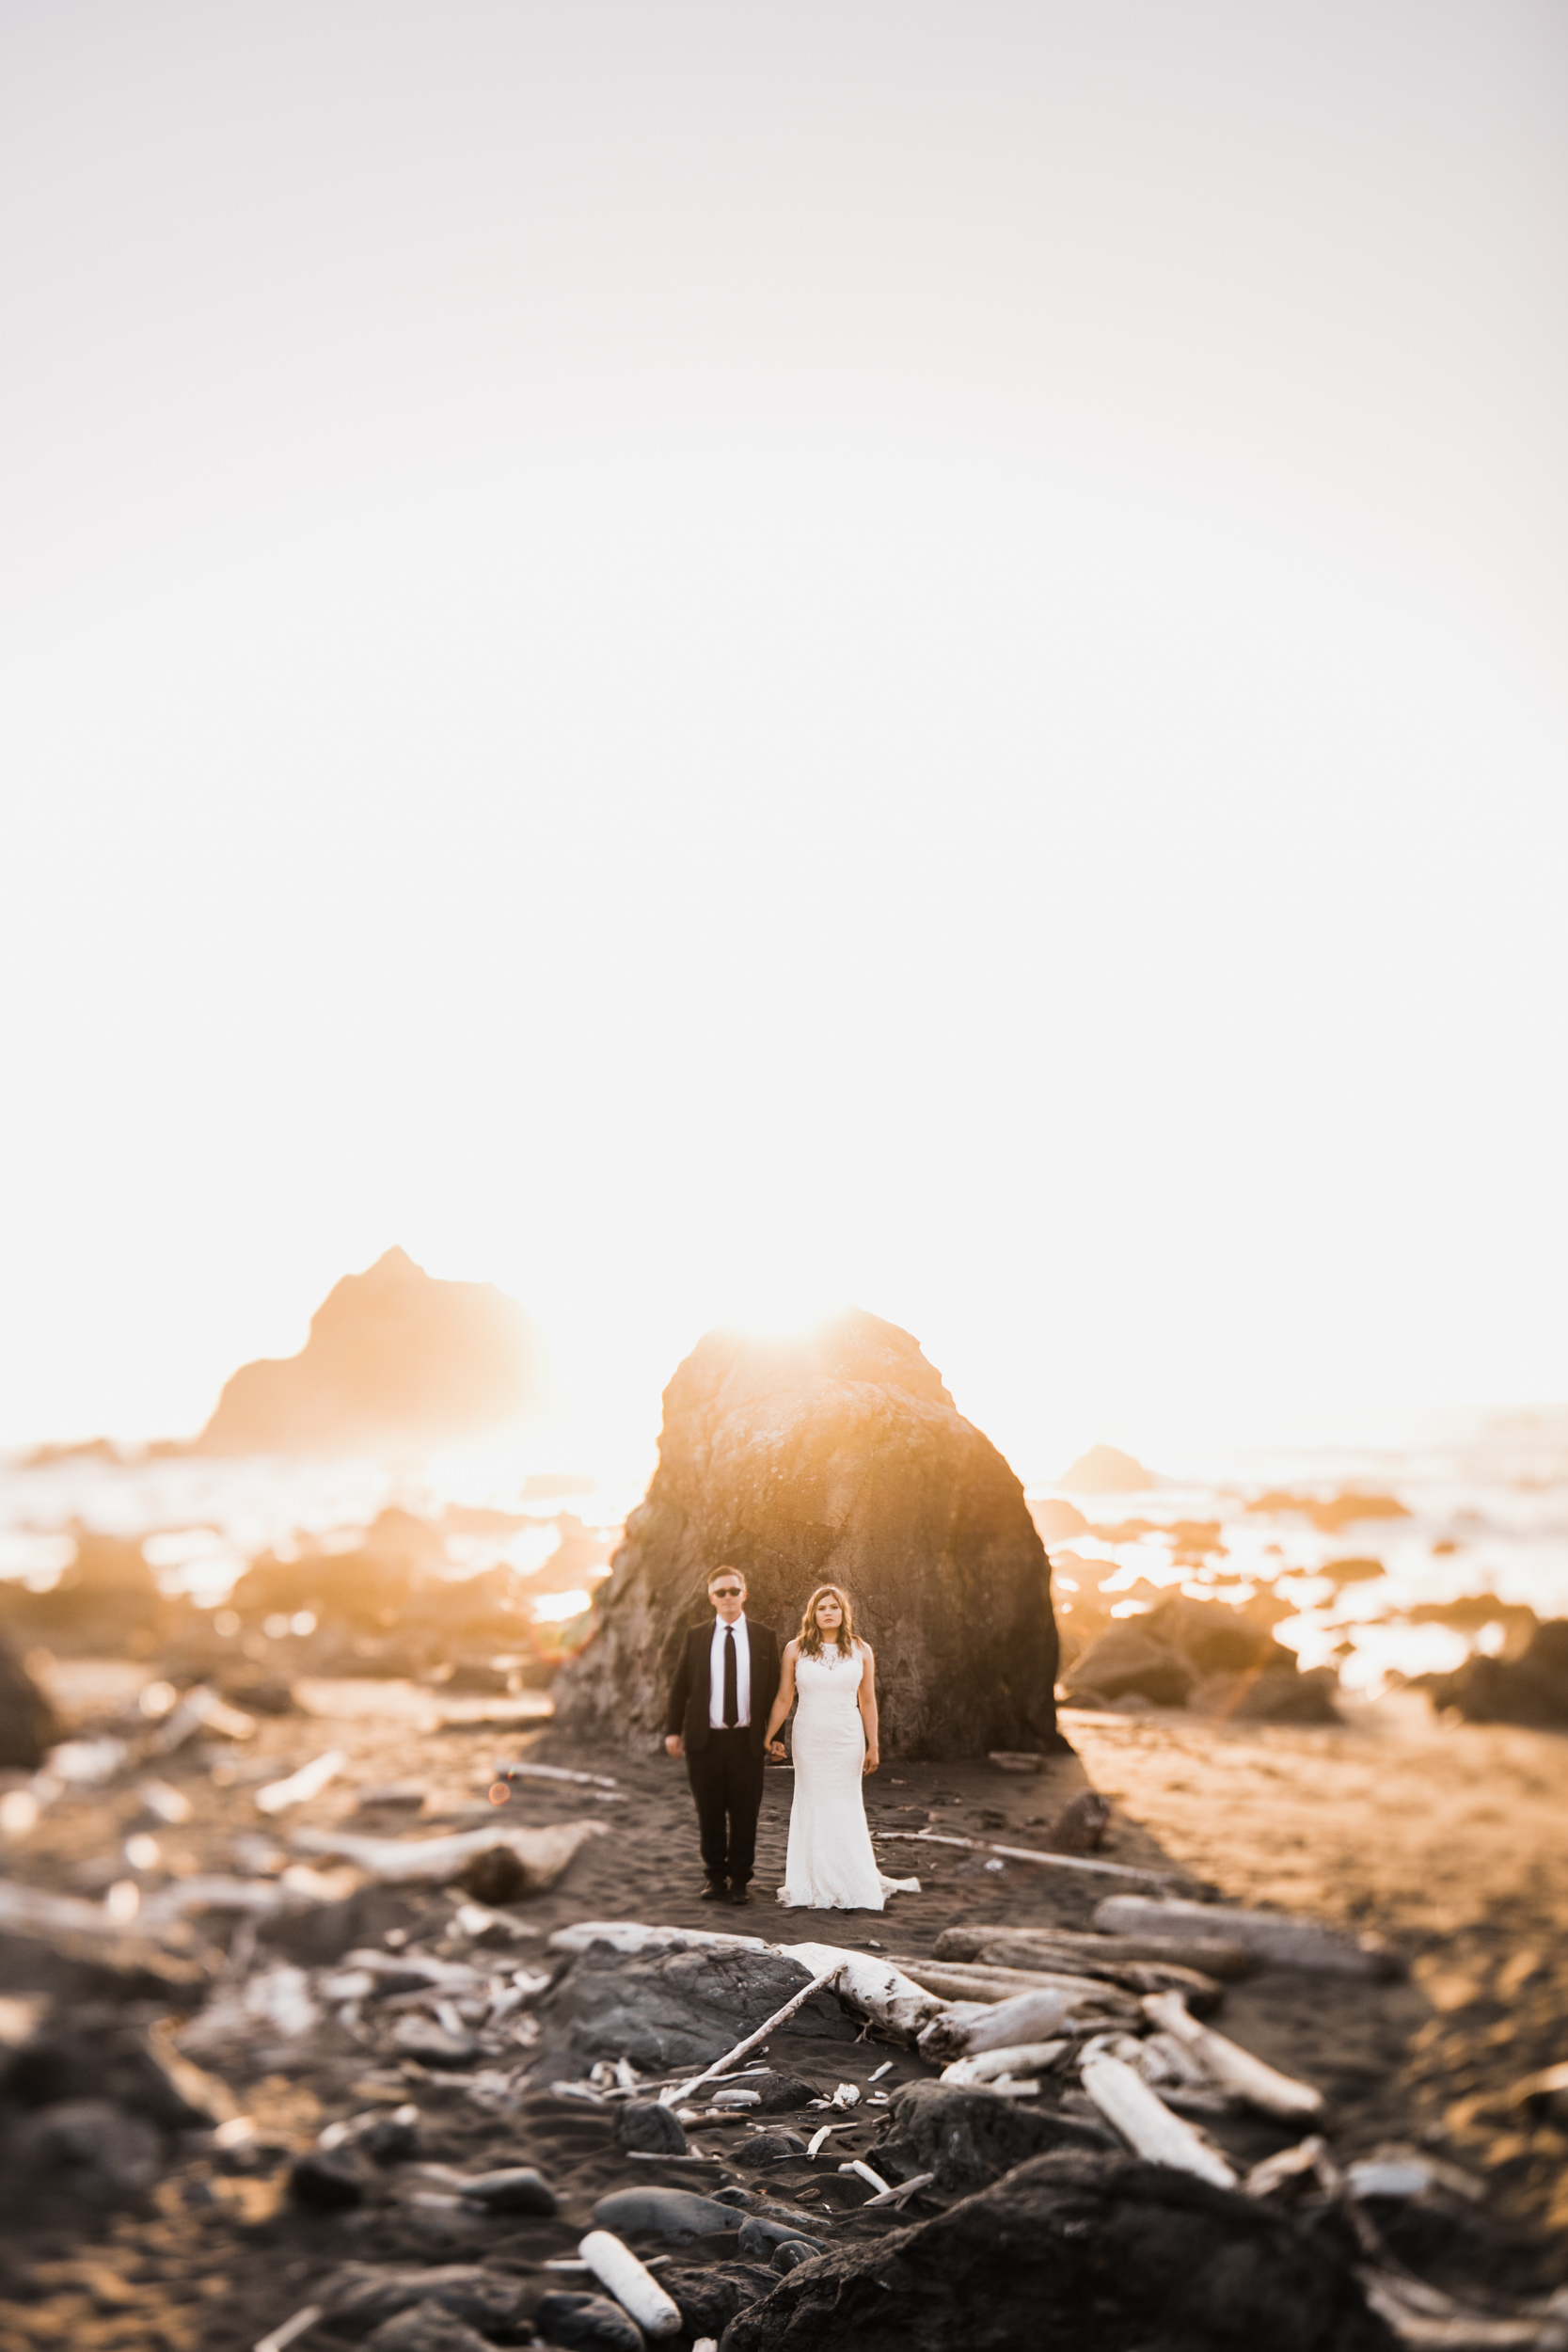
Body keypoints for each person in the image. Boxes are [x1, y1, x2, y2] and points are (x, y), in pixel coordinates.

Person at [764, 1583, 919, 1912]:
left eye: (834, 1606)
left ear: (843, 1612)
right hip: (809, 1738)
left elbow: (868, 1700)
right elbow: (784, 1697)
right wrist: (769, 1734)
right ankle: (812, 1878)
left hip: (847, 1738)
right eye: (821, 1608)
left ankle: (852, 1878)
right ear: (813, 1614)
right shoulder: (795, 1649)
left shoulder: (862, 1650)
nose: (828, 1612)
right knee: (813, 1803)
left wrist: (872, 1745)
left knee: (846, 1805)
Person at [664, 1564, 782, 1906]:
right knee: (710, 1812)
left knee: (746, 1814)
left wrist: (777, 1736)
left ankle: (741, 1881)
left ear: (744, 1594)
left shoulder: (764, 1636)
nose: (728, 1597)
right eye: (721, 1592)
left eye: (734, 1591)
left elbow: (777, 1691)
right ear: (711, 1597)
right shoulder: (696, 1635)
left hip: (748, 1742)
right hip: (705, 1742)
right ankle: (715, 1878)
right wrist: (672, 1731)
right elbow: (679, 1688)